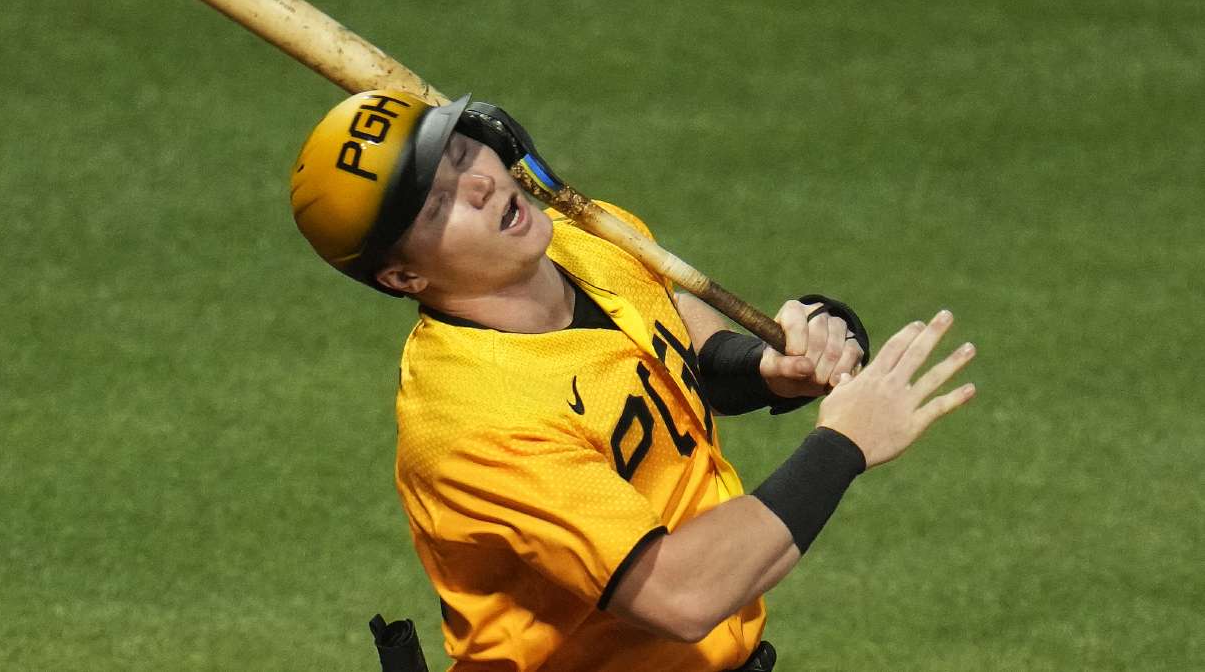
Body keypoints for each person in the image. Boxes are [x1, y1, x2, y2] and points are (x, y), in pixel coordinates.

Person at [290, 90, 977, 672]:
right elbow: (681, 594)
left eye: (463, 153)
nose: (480, 184)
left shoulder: (585, 236)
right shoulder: (475, 424)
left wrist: (772, 369)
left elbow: (686, 349)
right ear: (404, 278)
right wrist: (844, 444)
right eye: (438, 205)